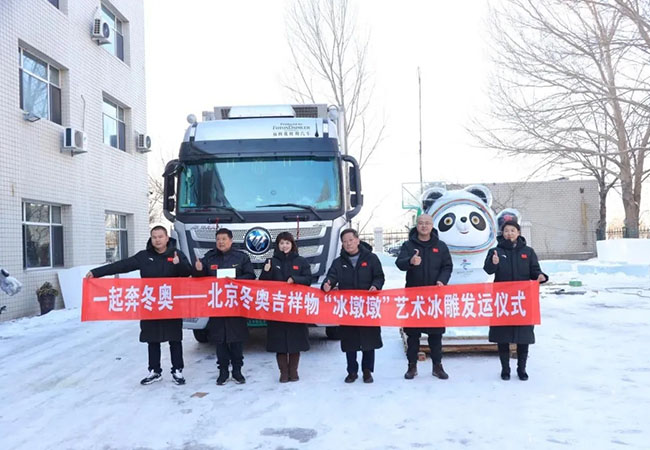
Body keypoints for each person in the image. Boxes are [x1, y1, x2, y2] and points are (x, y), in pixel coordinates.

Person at [86, 226, 192, 385]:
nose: (157, 240)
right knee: (152, 338)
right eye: (154, 237)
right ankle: (154, 371)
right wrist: (97, 272)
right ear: (151, 238)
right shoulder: (144, 256)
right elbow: (122, 265)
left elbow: (188, 272)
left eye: (160, 236)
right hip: (150, 303)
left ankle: (177, 370)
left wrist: (178, 264)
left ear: (166, 238)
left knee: (174, 338)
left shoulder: (177, 254)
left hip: (170, 303)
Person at [483, 220, 548, 381]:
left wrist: (541, 276)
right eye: (506, 231)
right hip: (503, 301)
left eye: (513, 230)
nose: (509, 233)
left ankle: (521, 369)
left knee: (523, 336)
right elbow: (488, 270)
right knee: (502, 337)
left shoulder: (528, 252)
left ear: (518, 233)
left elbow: (535, 271)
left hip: (522, 300)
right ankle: (505, 369)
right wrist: (493, 263)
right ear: (502, 233)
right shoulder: (496, 251)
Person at [193, 228, 255, 385]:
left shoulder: (241, 257)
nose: (221, 242)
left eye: (224, 239)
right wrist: (198, 270)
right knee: (219, 340)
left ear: (231, 241)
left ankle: (237, 371)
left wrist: (235, 280)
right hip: (217, 306)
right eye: (218, 239)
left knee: (236, 340)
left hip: (236, 305)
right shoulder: (209, 257)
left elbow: (251, 276)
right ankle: (223, 371)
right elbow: (200, 279)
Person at [322, 229, 385, 384]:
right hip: (348, 308)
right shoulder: (338, 262)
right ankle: (352, 371)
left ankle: (367, 371)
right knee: (350, 341)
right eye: (345, 241)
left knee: (368, 340)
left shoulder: (371, 258)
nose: (348, 244)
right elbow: (331, 277)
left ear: (357, 240)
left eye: (351, 240)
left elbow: (379, 276)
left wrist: (376, 286)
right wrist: (327, 284)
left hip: (367, 306)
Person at [395, 214, 453, 380]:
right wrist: (410, 261)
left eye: (427, 223)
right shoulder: (408, 245)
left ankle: (437, 366)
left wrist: (442, 280)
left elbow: (447, 266)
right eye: (421, 223)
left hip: (435, 297)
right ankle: (412, 366)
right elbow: (399, 263)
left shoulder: (440, 246)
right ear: (417, 225)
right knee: (413, 334)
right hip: (414, 297)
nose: (424, 226)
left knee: (436, 334)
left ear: (432, 226)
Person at [259, 232, 312, 382]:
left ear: (292, 244)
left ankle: (293, 372)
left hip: (295, 307)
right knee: (279, 343)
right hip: (277, 308)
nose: (284, 246)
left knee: (295, 342)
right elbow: (263, 283)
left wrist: (295, 279)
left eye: (287, 243)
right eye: (281, 243)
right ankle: (283, 373)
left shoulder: (301, 261)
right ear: (277, 245)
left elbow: (308, 279)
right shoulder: (271, 261)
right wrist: (266, 271)